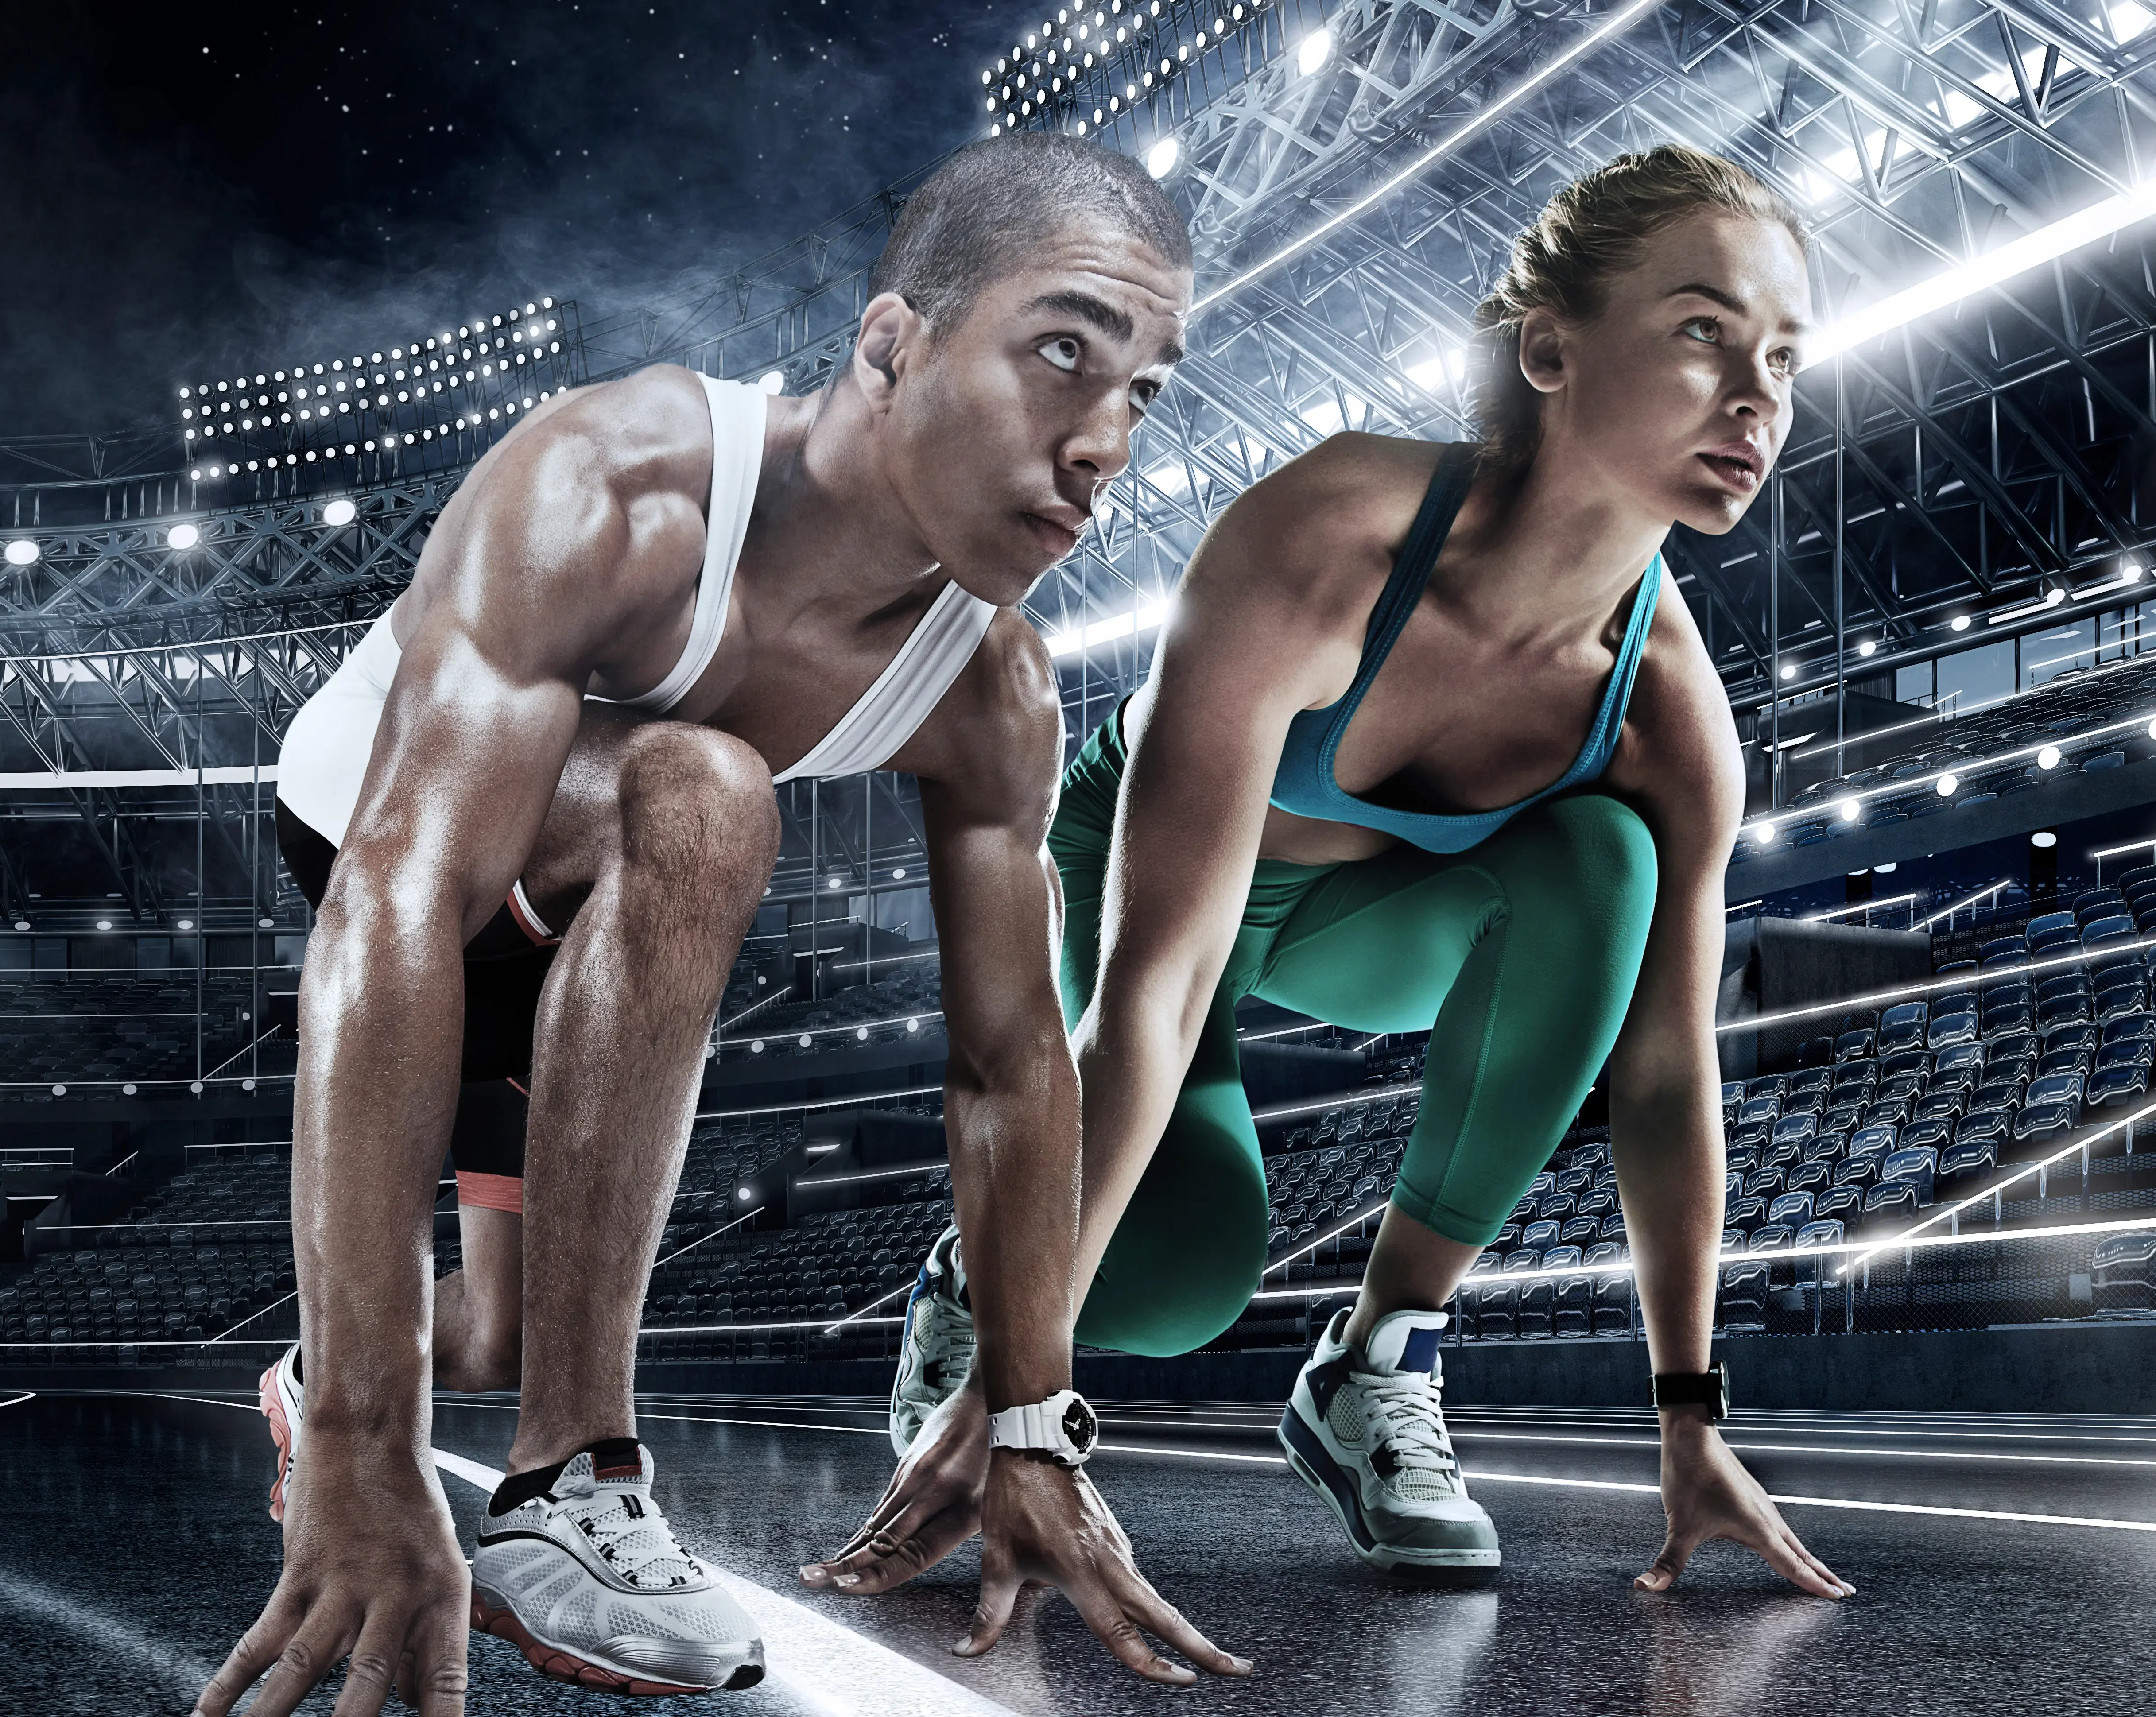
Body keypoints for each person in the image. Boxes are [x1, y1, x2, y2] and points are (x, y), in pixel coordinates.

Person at [195, 132, 1249, 1717]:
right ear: (892, 345)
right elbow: (399, 897)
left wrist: (1027, 1419)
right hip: (385, 843)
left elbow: (1016, 1059)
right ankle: (571, 1481)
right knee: (708, 790)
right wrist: (362, 1444)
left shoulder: (992, 686)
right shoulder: (611, 487)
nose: (1105, 440)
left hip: (582, 935)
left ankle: (341, 1375)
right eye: (1061, 354)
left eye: (1143, 392)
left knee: (480, 1335)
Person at [809, 145, 1853, 1605]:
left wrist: (1691, 1421)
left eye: (1785, 360)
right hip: (1162, 889)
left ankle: (1377, 1361)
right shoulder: (1333, 538)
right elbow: (1158, 988)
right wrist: (1020, 1394)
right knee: (1176, 1288)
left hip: (1371, 920)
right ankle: (967, 1281)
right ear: (1551, 348)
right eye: (1703, 332)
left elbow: (1671, 1077)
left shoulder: (1670, 717)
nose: (1757, 395)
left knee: (1602, 856)